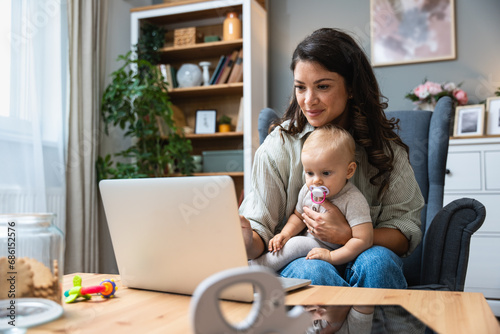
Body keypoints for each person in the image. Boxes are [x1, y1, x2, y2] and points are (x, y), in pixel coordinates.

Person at [239, 27, 424, 288]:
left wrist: (347, 235)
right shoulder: (278, 146)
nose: (309, 101)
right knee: (313, 270)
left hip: (366, 254)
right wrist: (245, 238)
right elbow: (260, 232)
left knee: (378, 263)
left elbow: (405, 232)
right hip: (305, 257)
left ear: (351, 88)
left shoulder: (385, 149)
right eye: (300, 88)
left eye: (323, 86)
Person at [250, 124, 373, 272]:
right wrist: (285, 234)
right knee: (291, 243)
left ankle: (257, 269)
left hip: (337, 252)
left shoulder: (353, 200)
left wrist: (332, 256)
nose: (316, 181)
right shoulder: (307, 191)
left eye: (326, 173)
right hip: (312, 248)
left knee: (296, 245)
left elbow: (364, 240)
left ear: (349, 170)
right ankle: (258, 268)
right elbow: (298, 216)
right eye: (309, 173)